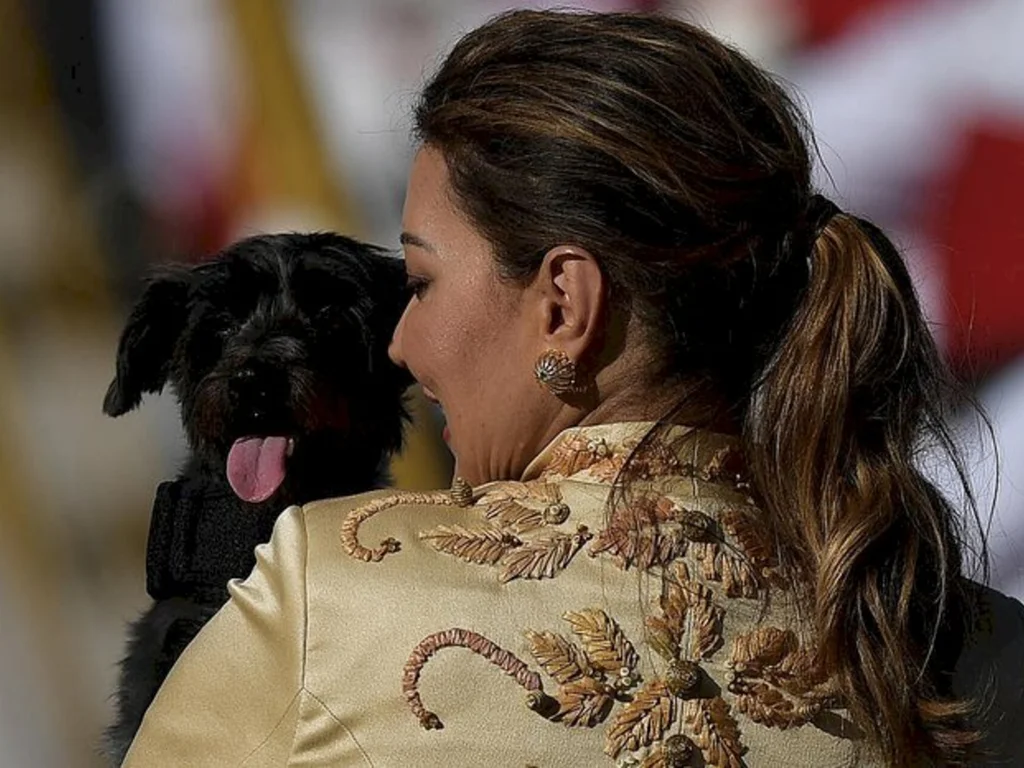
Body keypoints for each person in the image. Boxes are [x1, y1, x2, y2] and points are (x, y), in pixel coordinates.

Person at [121, 10, 1024, 767]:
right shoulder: (979, 646)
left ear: (564, 306)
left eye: (422, 284)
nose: (398, 343)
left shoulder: (319, 596)